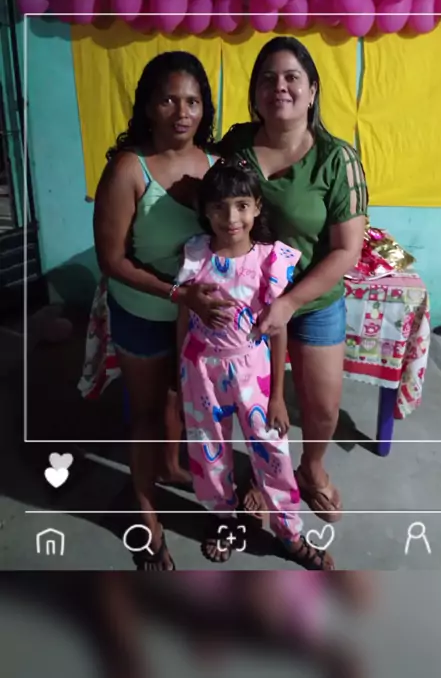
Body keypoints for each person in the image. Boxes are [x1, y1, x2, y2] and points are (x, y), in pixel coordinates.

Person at [93, 51, 235, 571]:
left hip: (200, 320)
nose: (182, 112)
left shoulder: (217, 167)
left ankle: (177, 472)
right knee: (148, 412)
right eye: (169, 100)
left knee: (193, 406)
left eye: (193, 101)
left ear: (204, 109)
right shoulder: (128, 169)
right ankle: (146, 513)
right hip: (145, 314)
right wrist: (177, 295)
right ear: (149, 106)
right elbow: (112, 260)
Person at [218, 35, 368, 523]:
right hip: (246, 303)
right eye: (267, 78)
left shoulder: (337, 159)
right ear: (255, 92)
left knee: (321, 407)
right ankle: (266, 474)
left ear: (312, 90)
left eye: (291, 77)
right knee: (255, 402)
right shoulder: (235, 148)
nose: (278, 87)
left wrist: (289, 302)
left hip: (312, 303)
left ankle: (311, 468)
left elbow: (347, 249)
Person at [175, 158, 335, 570]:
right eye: (220, 207)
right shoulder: (196, 254)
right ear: (205, 210)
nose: (231, 218)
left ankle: (289, 533)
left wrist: (278, 396)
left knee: (273, 452)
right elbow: (184, 316)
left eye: (242, 205)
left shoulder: (269, 260)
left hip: (253, 372)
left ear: (257, 207)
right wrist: (181, 373)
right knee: (209, 451)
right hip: (201, 370)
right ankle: (224, 520)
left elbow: (277, 330)